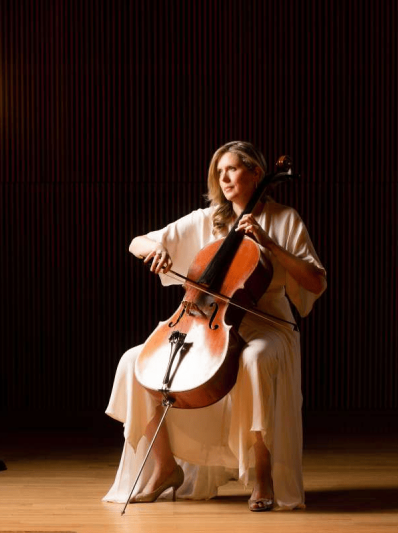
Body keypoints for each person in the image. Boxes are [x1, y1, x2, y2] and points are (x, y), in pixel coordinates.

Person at [103, 141, 327, 511]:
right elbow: (136, 242)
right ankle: (164, 467)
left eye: (233, 169)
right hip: (205, 323)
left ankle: (262, 473)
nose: (224, 177)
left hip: (266, 325)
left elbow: (315, 282)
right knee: (133, 362)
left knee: (254, 360)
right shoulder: (207, 220)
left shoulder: (285, 219)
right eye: (219, 171)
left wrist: (268, 243)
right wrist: (154, 251)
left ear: (257, 173)